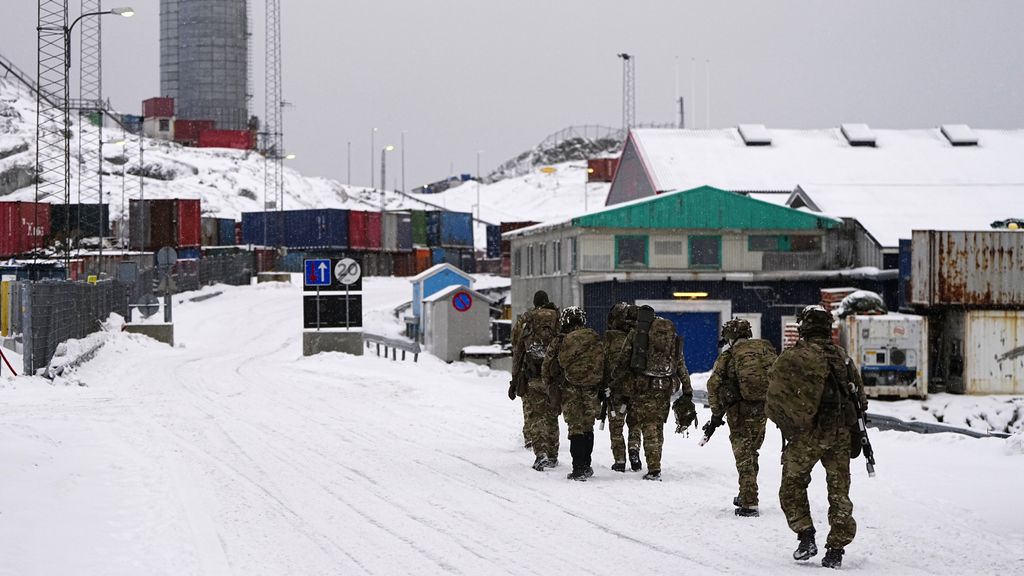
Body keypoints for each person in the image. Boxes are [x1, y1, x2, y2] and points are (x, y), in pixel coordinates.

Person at [766, 305, 867, 570]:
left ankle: (805, 535)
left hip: (806, 436)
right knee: (839, 492)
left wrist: (791, 423)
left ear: (804, 328)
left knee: (792, 486)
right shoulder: (842, 357)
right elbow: (860, 399)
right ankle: (836, 549)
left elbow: (775, 397)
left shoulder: (794, 356)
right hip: (840, 435)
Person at [704, 318, 778, 517]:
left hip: (739, 411)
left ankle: (749, 502)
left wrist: (716, 411)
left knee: (743, 456)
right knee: (752, 451)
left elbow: (713, 384)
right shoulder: (765, 350)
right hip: (763, 409)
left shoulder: (730, 355)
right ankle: (746, 492)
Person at [624, 305, 696, 481]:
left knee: (648, 426)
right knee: (658, 425)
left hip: (644, 386)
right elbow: (680, 364)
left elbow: (624, 359)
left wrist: (619, 382)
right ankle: (656, 460)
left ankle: (654, 468)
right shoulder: (671, 337)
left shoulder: (639, 335)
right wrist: (687, 389)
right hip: (665, 386)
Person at [542, 306, 605, 481]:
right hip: (591, 388)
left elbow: (547, 365)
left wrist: (549, 386)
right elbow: (603, 361)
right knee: (587, 426)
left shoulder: (561, 340)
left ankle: (578, 468)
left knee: (575, 427)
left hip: (569, 388)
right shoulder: (593, 337)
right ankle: (587, 465)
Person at [509, 290, 561, 471]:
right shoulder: (558, 317)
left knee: (537, 415)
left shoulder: (526, 319)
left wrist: (514, 378)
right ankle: (554, 455)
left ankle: (541, 455)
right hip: (553, 376)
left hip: (532, 374)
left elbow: (517, 349)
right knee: (552, 415)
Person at [603, 303, 642, 472]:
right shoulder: (639, 338)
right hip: (636, 389)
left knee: (616, 426)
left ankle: (619, 459)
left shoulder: (611, 340)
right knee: (635, 423)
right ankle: (634, 449)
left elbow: (603, 364)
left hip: (616, 389)